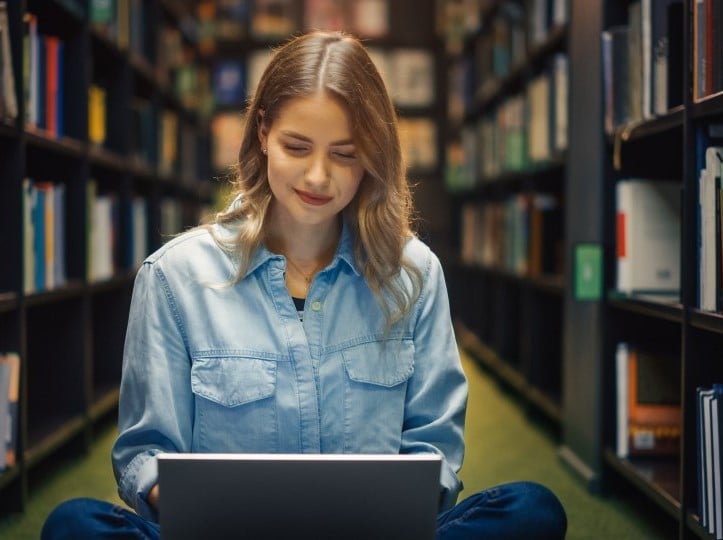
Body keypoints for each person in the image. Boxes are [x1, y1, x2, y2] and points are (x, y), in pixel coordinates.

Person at [41, 31, 567, 540]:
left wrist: (391, 508)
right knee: (75, 524)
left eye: (345, 153)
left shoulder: (415, 273)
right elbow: (146, 456)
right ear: (263, 133)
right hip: (228, 534)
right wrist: (212, 507)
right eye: (297, 147)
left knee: (532, 509)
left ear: (373, 155)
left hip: (369, 535)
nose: (318, 176)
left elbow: (434, 449)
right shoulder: (174, 276)